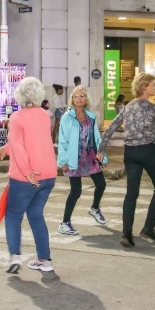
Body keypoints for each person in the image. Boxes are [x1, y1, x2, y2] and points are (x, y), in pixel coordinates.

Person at [99, 72, 155, 248]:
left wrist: (101, 149)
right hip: (148, 151)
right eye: (152, 84)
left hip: (130, 153)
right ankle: (148, 227)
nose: (154, 87)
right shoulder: (152, 109)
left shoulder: (127, 107)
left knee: (131, 193)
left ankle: (126, 234)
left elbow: (110, 128)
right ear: (144, 87)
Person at [0, 77, 57, 274]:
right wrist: (6, 148)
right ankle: (45, 260)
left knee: (13, 215)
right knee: (36, 215)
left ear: (19, 95)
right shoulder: (45, 115)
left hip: (26, 176)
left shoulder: (17, 117)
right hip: (48, 175)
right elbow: (33, 140)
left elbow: (20, 148)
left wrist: (28, 173)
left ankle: (15, 257)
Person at [57, 85, 107, 235]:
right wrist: (63, 161)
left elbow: (96, 137)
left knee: (101, 184)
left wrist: (101, 153)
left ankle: (95, 208)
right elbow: (62, 141)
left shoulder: (91, 116)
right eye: (76, 96)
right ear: (72, 100)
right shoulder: (67, 117)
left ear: (86, 99)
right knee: (76, 191)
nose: (79, 99)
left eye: (82, 96)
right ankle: (65, 223)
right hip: (74, 158)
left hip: (91, 156)